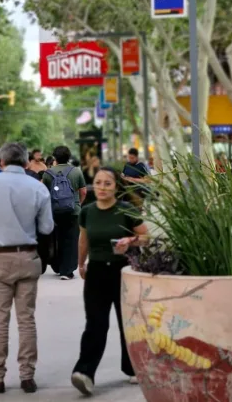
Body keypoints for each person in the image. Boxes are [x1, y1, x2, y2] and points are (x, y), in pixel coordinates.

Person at [0, 143, 54, 394]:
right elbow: (47, 227)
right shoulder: (38, 187)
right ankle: (27, 376)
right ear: (27, 163)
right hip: (27, 257)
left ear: (1, 162)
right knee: (26, 319)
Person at [71, 167, 148, 396]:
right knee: (95, 323)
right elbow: (83, 240)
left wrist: (130, 241)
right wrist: (81, 264)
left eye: (107, 183)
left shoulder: (126, 210)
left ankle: (132, 367)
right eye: (98, 183)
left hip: (122, 271)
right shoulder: (87, 211)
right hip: (96, 271)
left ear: (116, 187)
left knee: (127, 321)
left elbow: (146, 237)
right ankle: (84, 372)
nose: (102, 188)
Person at [42, 146, 87, 280]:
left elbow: (44, 194)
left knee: (57, 239)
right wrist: (78, 203)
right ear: (69, 157)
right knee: (71, 240)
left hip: (54, 212)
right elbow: (83, 191)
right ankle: (67, 271)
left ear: (55, 158)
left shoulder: (48, 173)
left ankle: (58, 266)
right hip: (73, 211)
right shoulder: (76, 171)